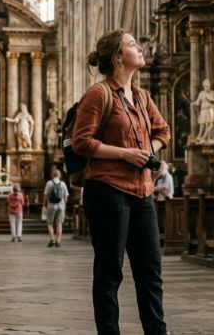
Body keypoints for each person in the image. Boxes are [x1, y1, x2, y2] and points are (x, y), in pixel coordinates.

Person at [71, 28, 171, 335]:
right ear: (118, 57)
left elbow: (163, 132)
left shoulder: (142, 97)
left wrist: (147, 152)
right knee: (110, 273)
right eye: (132, 45)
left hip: (142, 193)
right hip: (107, 190)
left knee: (150, 273)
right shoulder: (98, 94)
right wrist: (125, 155)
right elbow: (82, 142)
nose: (139, 48)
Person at [43, 169, 69, 248]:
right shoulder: (63, 183)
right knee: (59, 224)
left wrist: (45, 204)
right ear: (59, 175)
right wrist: (64, 204)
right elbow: (66, 196)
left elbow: (46, 195)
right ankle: (58, 241)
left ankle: (52, 239)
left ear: (52, 175)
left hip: (51, 205)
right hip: (61, 205)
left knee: (50, 223)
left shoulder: (49, 183)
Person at [192, 78, 214, 144]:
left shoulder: (213, 93)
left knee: (210, 125)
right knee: (202, 124)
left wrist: (211, 99)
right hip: (203, 110)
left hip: (210, 110)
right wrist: (194, 104)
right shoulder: (201, 93)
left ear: (210, 86)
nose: (206, 88)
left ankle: (208, 138)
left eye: (207, 86)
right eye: (204, 86)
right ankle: (200, 137)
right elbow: (198, 102)